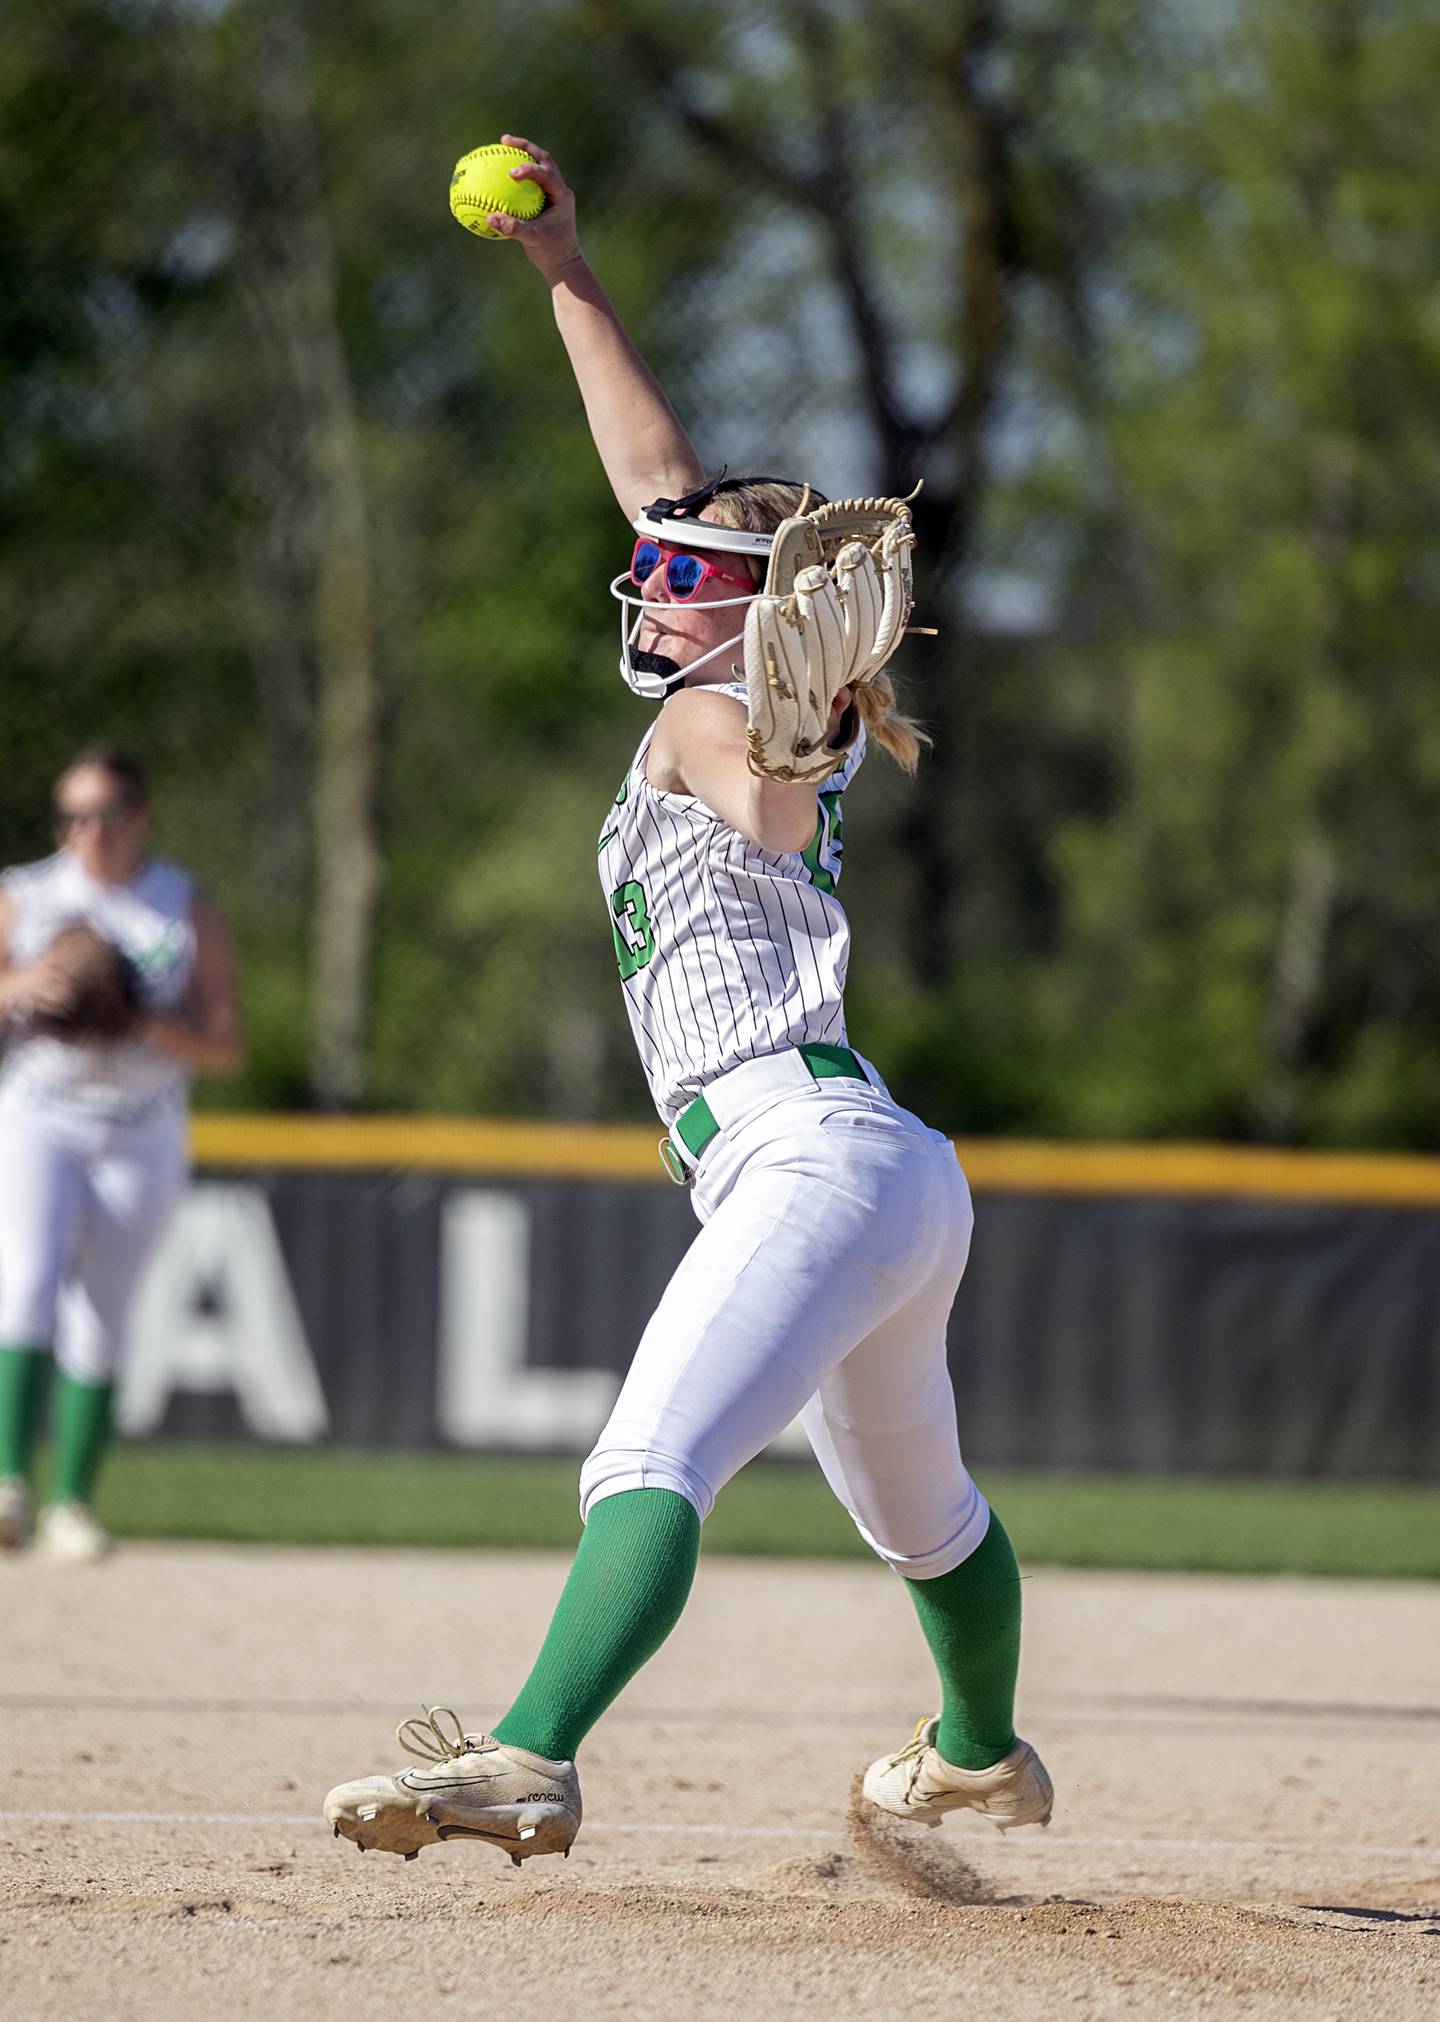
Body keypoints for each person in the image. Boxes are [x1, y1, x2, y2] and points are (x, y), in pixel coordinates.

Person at [324, 137, 1052, 1863]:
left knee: (645, 1458)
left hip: (807, 1155)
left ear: (744, 612)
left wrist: (795, 748)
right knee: (921, 1509)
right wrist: (565, 270)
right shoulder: (737, 667)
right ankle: (975, 1751)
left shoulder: (723, 718)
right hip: (878, 1167)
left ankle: (531, 1752)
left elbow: (768, 793)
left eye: (678, 570)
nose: (647, 576)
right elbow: (666, 481)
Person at [0, 749, 245, 1561]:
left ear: (140, 816)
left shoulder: (177, 903)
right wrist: (20, 988)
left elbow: (227, 1045)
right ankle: (8, 1486)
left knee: (103, 1313)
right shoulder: (28, 893)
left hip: (141, 1122)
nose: (87, 832)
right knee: (26, 1284)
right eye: (72, 816)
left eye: (105, 814)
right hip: (42, 1111)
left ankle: (72, 1503)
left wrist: (141, 1022)